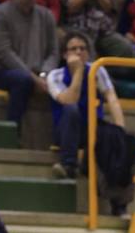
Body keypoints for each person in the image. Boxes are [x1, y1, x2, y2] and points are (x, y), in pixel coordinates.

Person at [46, 30, 127, 182]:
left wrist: (120, 129)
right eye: (73, 49)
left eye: (82, 48)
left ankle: (92, 170)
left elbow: (112, 98)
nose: (78, 52)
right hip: (65, 132)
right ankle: (68, 165)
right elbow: (69, 100)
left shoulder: (98, 70)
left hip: (91, 129)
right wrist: (78, 73)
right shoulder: (54, 76)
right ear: (65, 55)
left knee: (110, 132)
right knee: (71, 109)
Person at [0, 0, 60, 127]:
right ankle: (12, 130)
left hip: (40, 73)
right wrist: (33, 78)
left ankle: (62, 140)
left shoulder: (46, 15)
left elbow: (54, 52)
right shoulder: (0, 14)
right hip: (5, 71)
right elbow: (4, 53)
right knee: (22, 80)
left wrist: (44, 74)